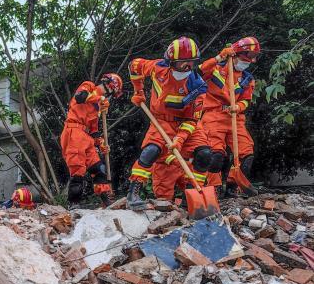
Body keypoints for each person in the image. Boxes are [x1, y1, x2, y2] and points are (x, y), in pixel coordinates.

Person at [126, 37, 212, 210]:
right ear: (171, 62)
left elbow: (192, 119)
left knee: (204, 154)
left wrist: (180, 139)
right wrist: (138, 91)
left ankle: (192, 198)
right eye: (183, 63)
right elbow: (134, 65)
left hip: (186, 125)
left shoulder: (197, 87)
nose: (188, 67)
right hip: (161, 122)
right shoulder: (157, 68)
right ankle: (133, 193)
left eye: (192, 63)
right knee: (150, 152)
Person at [198, 37, 260, 197]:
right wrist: (220, 57)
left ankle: (234, 185)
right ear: (238, 54)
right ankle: (214, 188)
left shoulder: (247, 78)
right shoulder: (216, 69)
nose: (251, 61)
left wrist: (238, 107)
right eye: (250, 56)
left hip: (235, 117)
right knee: (216, 154)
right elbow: (201, 70)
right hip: (214, 116)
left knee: (246, 153)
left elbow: (246, 100)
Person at [60, 73, 123, 207]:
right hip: (74, 131)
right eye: (112, 92)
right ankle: (74, 203)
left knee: (99, 168)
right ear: (110, 86)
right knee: (78, 169)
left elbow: (94, 130)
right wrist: (98, 98)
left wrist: (101, 144)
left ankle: (107, 201)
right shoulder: (89, 86)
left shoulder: (98, 107)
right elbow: (80, 97)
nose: (110, 95)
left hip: (86, 137)